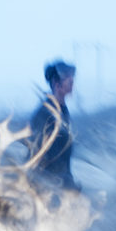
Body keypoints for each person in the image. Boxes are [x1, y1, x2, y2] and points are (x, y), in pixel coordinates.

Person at [29, 60, 78, 189]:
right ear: (56, 84)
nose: (72, 81)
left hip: (62, 182)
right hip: (48, 186)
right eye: (67, 78)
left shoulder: (62, 111)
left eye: (72, 77)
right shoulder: (45, 114)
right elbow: (38, 154)